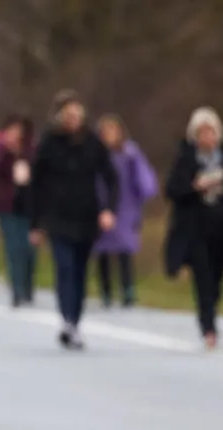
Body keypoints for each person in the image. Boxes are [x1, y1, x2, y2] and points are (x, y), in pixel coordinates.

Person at [29, 90, 119, 350]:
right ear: (59, 116)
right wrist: (36, 223)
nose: (73, 119)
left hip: (87, 217)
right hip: (58, 218)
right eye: (68, 115)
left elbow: (111, 177)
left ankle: (76, 321)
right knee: (65, 268)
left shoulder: (92, 142)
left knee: (80, 271)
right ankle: (67, 320)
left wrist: (108, 210)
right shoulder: (48, 144)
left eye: (77, 115)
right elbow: (36, 185)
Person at [161, 106, 223, 349]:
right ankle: (208, 326)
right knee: (201, 276)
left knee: (216, 277)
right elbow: (171, 190)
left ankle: (212, 309)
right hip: (195, 228)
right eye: (201, 133)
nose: (207, 138)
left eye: (210, 132)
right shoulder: (185, 159)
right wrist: (195, 187)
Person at [92, 114, 158, 308]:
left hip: (126, 205)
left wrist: (145, 190)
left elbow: (143, 175)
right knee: (102, 249)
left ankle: (127, 289)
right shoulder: (96, 154)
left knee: (124, 248)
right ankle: (105, 290)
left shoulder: (130, 153)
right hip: (101, 204)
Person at [0, 114, 37, 306]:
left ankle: (27, 286)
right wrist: (8, 152)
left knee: (28, 248)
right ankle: (16, 290)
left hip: (27, 205)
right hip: (6, 205)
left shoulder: (31, 149)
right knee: (13, 247)